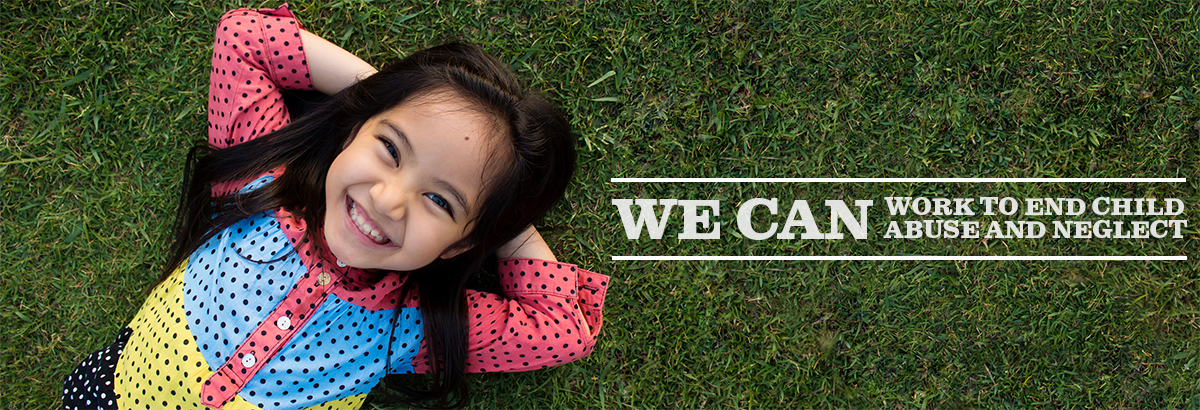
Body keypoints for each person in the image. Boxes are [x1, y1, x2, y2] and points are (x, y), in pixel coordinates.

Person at [61, 5, 609, 409]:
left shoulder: (415, 327)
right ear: (353, 128)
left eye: (440, 200)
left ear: (462, 243)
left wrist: (502, 217)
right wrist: (392, 94)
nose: (389, 200)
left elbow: (565, 327)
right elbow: (245, 39)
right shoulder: (259, 186)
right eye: (390, 148)